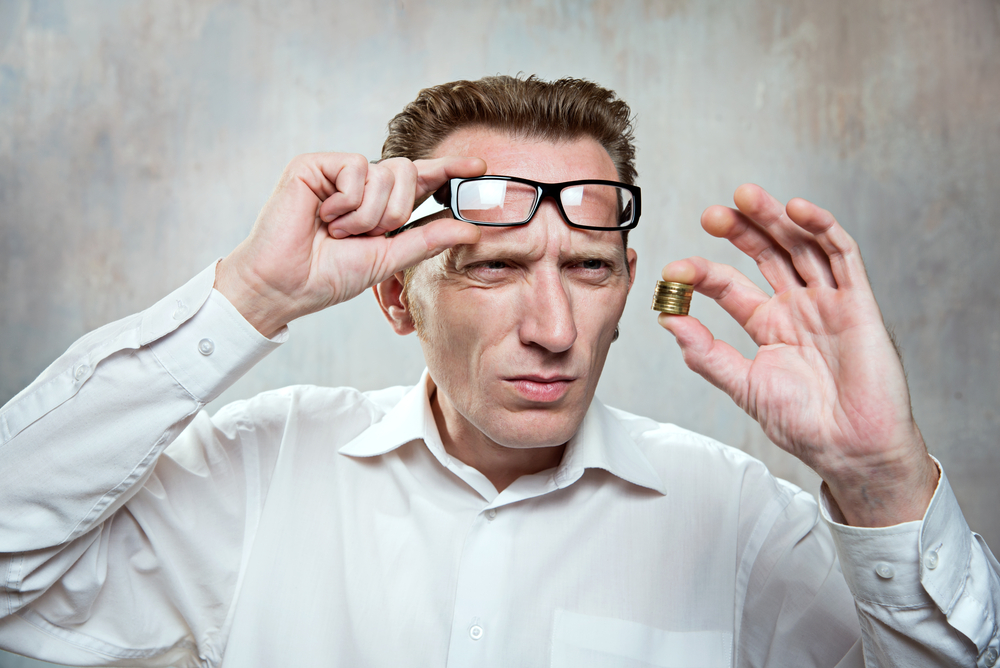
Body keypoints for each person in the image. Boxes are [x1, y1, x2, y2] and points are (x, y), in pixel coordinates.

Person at [0, 75, 997, 667]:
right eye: (494, 267)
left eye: (589, 269)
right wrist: (250, 295)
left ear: (628, 288)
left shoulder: (733, 514)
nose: (555, 329)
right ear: (397, 298)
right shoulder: (258, 472)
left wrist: (879, 478)